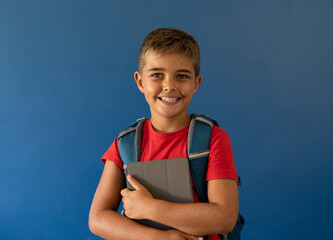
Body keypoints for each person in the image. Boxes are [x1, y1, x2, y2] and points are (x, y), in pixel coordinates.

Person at [89, 28, 239, 240]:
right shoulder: (125, 145)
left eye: (182, 76)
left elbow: (225, 217)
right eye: (157, 75)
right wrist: (160, 238)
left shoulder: (213, 139)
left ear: (196, 83)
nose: (169, 86)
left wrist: (150, 208)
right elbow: (97, 218)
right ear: (140, 82)